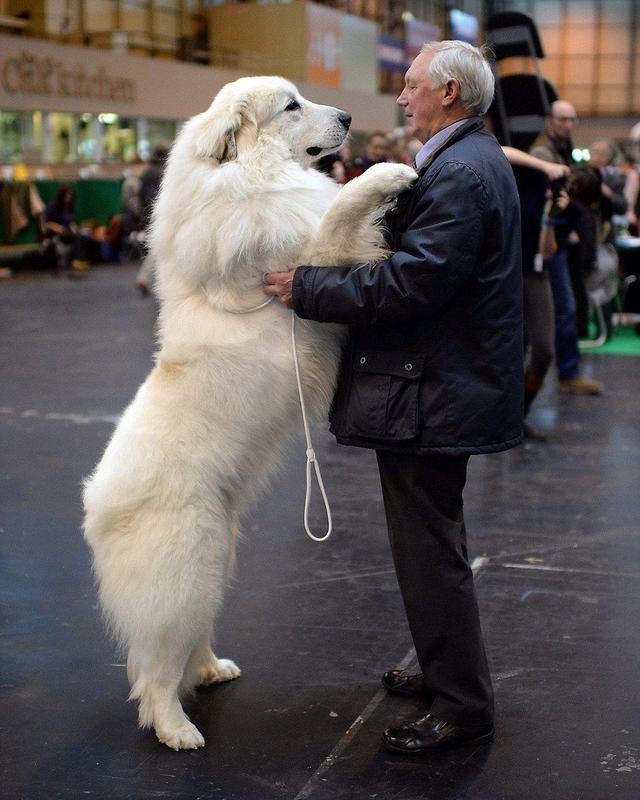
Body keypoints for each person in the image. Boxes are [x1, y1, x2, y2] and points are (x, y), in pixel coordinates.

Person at [265, 40, 523, 753]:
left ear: (447, 92)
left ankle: (463, 705)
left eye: (410, 87)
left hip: (436, 392)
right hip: (440, 386)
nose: (401, 99)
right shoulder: (465, 163)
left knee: (429, 550)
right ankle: (445, 670)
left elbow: (411, 284)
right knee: (432, 544)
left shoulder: (461, 174)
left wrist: (306, 287)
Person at [531, 101, 604, 395]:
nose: (569, 124)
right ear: (550, 120)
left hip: (553, 238)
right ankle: (566, 373)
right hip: (540, 241)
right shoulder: (542, 152)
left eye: (572, 119)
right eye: (563, 119)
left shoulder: (561, 148)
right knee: (557, 311)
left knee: (562, 309)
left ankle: (566, 373)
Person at [135, 144, 168, 295]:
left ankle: (146, 278)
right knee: (159, 247)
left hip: (148, 214)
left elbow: (140, 196)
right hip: (162, 213)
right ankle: (145, 278)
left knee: (157, 247)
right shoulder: (165, 171)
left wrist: (142, 216)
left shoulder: (146, 172)